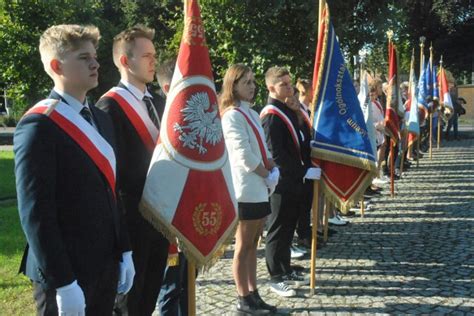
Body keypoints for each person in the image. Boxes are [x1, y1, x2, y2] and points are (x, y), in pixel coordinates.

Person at [14, 24, 134, 315]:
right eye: (83, 58)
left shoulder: (101, 119)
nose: (95, 63)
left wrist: (125, 249)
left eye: (94, 55)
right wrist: (64, 282)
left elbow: (112, 192)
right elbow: (36, 213)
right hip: (64, 270)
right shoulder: (38, 125)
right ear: (57, 66)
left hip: (105, 263)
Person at [96, 25, 169, 316]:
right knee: (129, 304)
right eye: (146, 55)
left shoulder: (160, 103)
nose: (154, 61)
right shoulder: (108, 108)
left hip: (160, 218)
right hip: (131, 220)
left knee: (150, 296)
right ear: (125, 61)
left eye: (154, 54)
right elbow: (112, 175)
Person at [220, 64, 278, 313]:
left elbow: (261, 149)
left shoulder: (252, 114)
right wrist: (266, 174)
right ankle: (242, 296)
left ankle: (253, 292)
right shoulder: (232, 115)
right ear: (233, 86)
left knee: (254, 244)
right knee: (243, 246)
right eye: (247, 82)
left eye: (254, 82)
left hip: (260, 187)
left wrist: (271, 165)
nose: (253, 87)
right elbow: (242, 154)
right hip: (245, 189)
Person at [261, 66, 321, 297]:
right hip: (282, 183)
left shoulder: (286, 110)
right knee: (277, 229)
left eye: (289, 83)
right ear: (271, 87)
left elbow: (300, 141)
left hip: (295, 181)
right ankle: (275, 276)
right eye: (283, 84)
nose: (289, 88)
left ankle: (285, 268)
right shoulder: (271, 115)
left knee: (288, 228)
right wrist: (304, 171)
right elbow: (276, 155)